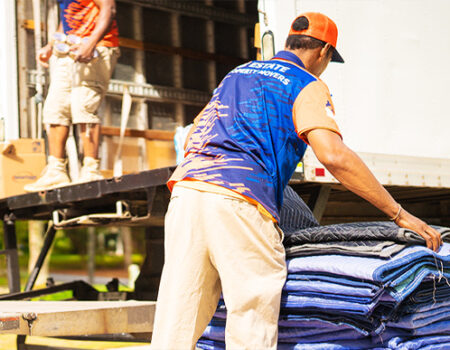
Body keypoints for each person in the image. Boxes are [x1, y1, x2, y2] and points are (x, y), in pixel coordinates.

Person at [150, 12, 442, 350]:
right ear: (323, 52)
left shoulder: (236, 74)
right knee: (251, 317)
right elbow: (332, 155)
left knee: (178, 315)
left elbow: (192, 137)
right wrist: (399, 214)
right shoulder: (304, 82)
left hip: (187, 193)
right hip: (240, 198)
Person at [24, 0, 120, 192]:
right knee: (55, 107)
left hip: (97, 46)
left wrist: (91, 42)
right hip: (70, 47)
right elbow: (67, 17)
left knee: (83, 105)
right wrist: (51, 45)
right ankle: (56, 171)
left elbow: (109, 8)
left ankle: (91, 170)